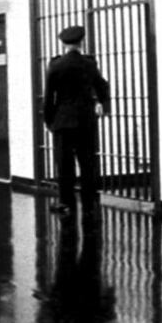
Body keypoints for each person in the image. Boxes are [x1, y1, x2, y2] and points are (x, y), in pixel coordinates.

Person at [43, 25, 110, 218]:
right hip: (86, 120)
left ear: (63, 43)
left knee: (64, 163)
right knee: (88, 161)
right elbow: (102, 86)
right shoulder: (89, 63)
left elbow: (49, 96)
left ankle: (65, 202)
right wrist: (101, 105)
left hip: (62, 121)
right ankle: (90, 202)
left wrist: (49, 120)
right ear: (82, 42)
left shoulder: (56, 65)